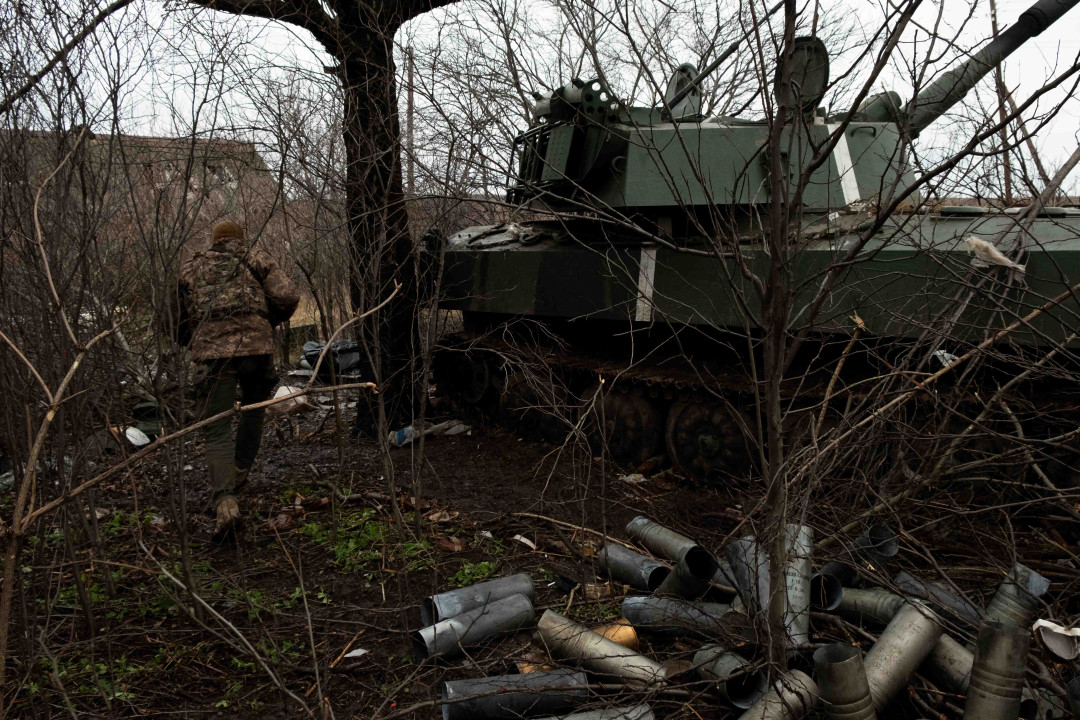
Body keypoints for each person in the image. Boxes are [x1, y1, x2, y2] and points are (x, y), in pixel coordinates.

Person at [178, 221, 299, 536]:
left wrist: (196, 338)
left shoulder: (192, 266)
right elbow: (287, 296)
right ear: (240, 240)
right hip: (257, 351)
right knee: (254, 408)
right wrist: (265, 322)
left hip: (212, 355)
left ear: (215, 241)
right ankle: (239, 473)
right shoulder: (255, 258)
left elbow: (172, 319)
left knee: (216, 429)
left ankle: (226, 501)